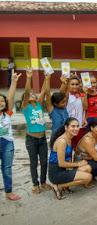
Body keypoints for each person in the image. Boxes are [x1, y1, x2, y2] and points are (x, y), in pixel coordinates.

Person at [22, 68, 52, 194]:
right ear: (27, 97)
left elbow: (44, 90)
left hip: (42, 138)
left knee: (44, 162)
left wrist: (46, 78)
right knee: (34, 162)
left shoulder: (39, 104)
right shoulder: (25, 106)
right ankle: (35, 184)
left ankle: (43, 182)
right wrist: (28, 77)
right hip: (31, 139)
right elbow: (27, 91)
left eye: (35, 93)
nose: (33, 94)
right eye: (31, 94)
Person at [48, 118, 92, 200]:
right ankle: (58, 186)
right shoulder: (62, 141)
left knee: (88, 168)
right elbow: (61, 163)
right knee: (88, 177)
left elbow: (68, 158)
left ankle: (66, 186)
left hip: (64, 169)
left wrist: (74, 167)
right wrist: (78, 164)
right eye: (73, 126)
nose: (76, 129)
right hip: (56, 173)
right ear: (66, 127)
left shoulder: (70, 138)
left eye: (77, 126)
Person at [0, 71, 22, 201]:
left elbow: (11, 97)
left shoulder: (7, 113)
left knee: (7, 168)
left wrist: (14, 82)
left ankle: (8, 192)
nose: (1, 102)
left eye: (2, 101)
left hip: (7, 143)